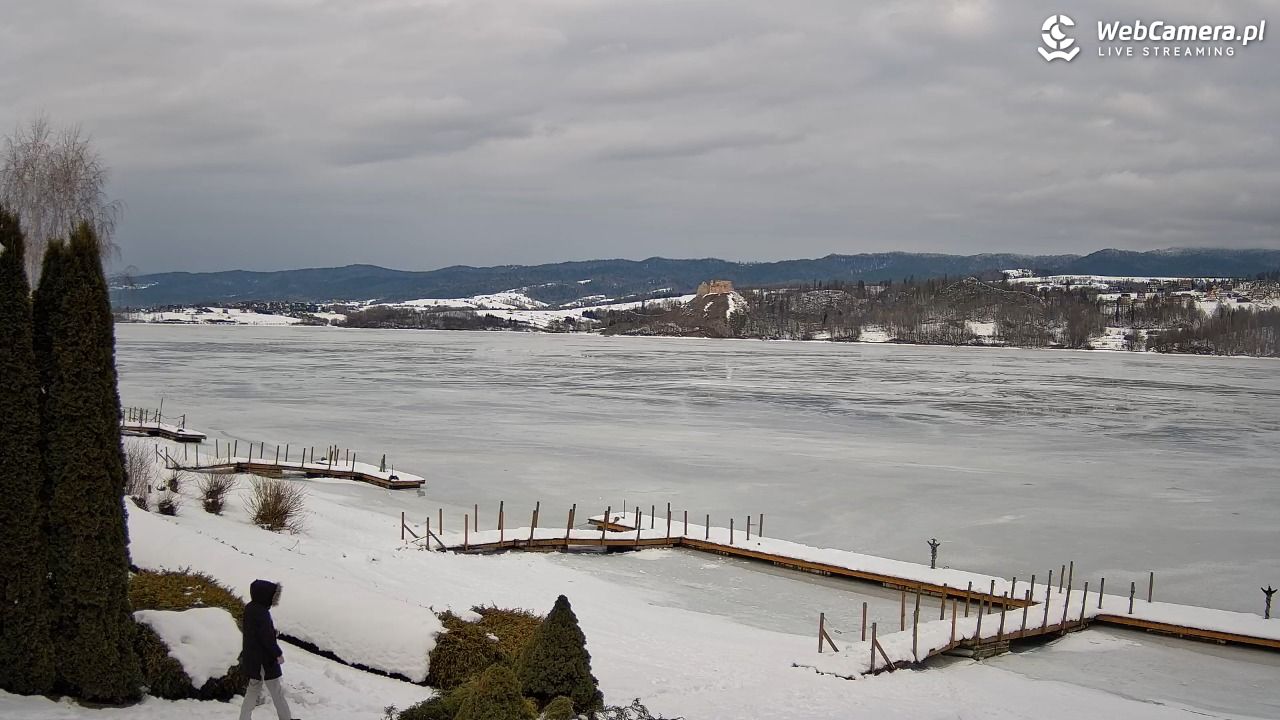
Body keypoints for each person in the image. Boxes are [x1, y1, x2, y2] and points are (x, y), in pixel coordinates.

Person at [239, 579, 296, 720]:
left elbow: (256, 634)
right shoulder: (261, 613)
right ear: (265, 595)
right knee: (276, 691)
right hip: (263, 660)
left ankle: (244, 718)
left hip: (253, 658)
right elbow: (266, 639)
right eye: (273, 595)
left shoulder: (250, 608)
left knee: (253, 689)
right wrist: (277, 654)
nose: (274, 599)